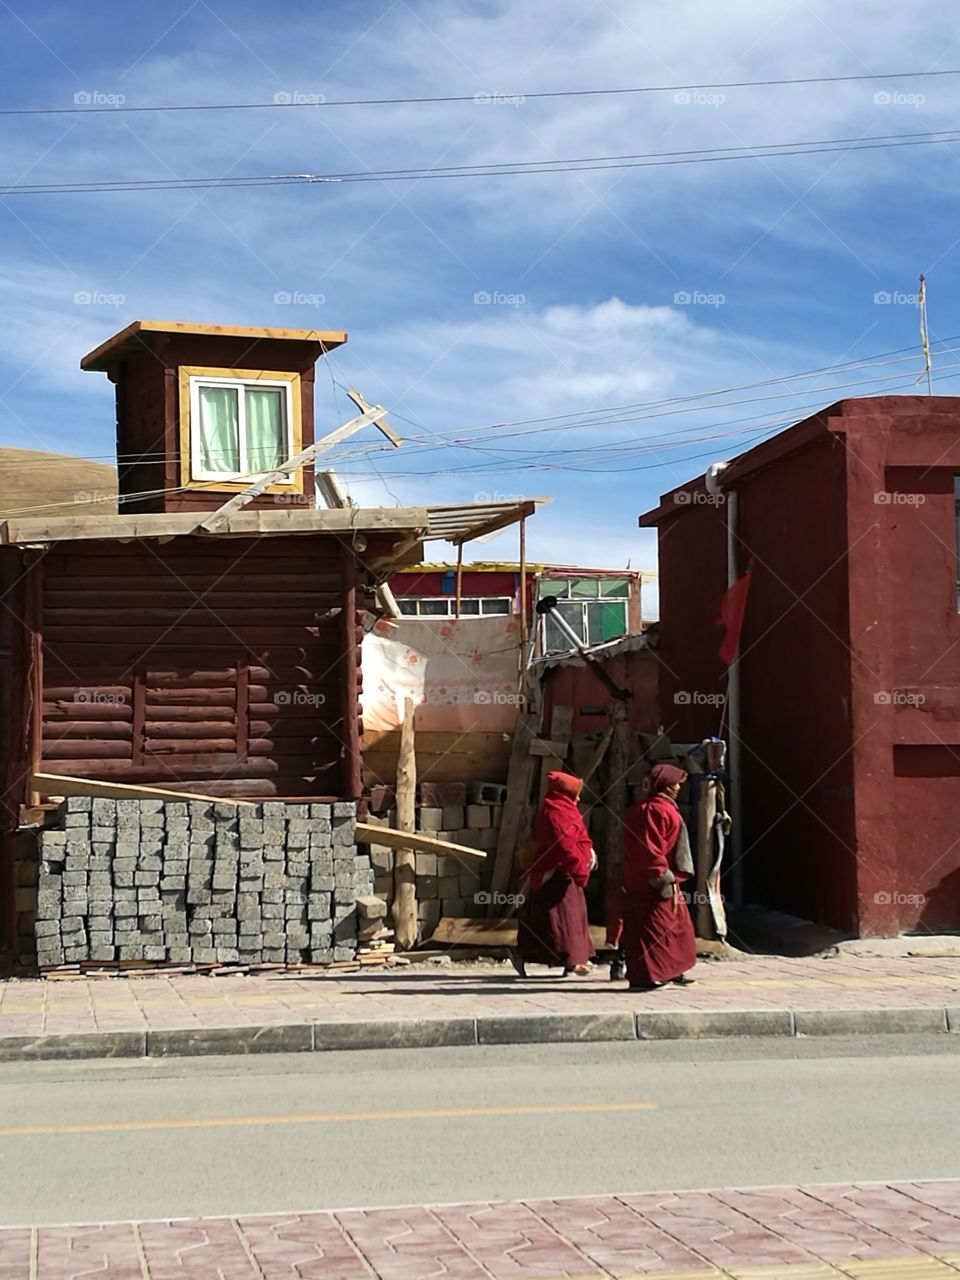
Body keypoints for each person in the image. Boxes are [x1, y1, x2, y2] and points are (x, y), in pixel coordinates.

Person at [511, 770, 597, 977]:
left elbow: (580, 838)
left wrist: (588, 855)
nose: (578, 798)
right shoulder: (555, 812)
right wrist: (579, 867)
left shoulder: (567, 810)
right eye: (575, 793)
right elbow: (564, 845)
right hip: (554, 873)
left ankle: (573, 961)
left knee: (572, 920)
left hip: (567, 872)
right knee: (555, 924)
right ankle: (523, 955)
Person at [620, 763, 697, 990]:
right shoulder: (651, 811)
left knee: (676, 927)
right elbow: (650, 848)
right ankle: (645, 975)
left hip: (666, 880)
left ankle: (672, 970)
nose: (678, 788)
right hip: (651, 881)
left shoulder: (662, 808)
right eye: (674, 784)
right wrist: (661, 876)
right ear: (664, 785)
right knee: (651, 930)